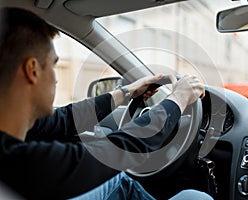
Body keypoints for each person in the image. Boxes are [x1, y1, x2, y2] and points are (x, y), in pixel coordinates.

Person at [0, 7, 212, 200]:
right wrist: (179, 99)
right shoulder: (20, 162)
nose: (55, 78)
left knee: (117, 180)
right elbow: (121, 148)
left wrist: (127, 92)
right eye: (53, 65)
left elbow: (66, 119)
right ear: (33, 70)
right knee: (196, 197)